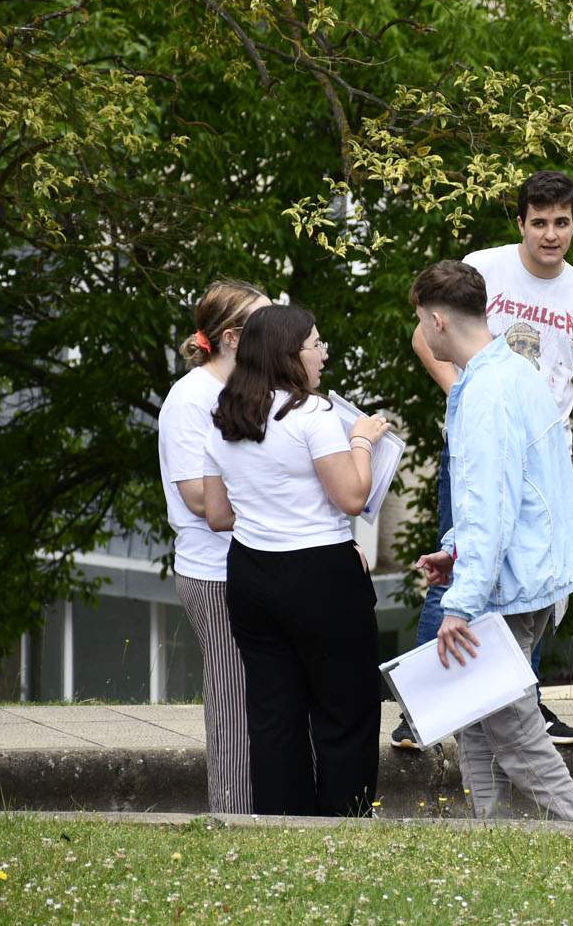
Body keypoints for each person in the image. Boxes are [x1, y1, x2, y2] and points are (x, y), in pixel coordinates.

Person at [393, 169, 573, 750]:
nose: (550, 234)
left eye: (561, 223)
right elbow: (427, 337)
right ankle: (423, 705)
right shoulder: (485, 267)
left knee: (531, 581)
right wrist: (469, 398)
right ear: (520, 223)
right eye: (538, 222)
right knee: (463, 560)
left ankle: (523, 701)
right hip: (483, 445)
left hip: (541, 458)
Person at [409, 260, 573, 823]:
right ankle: (490, 833)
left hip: (510, 583)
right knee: (478, 714)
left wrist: (460, 603)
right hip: (533, 573)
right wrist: (457, 550)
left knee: (512, 727)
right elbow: (515, 492)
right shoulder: (513, 371)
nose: (421, 333)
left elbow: (491, 504)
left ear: (438, 320)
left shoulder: (486, 392)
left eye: (420, 321)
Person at [202, 304, 391, 817]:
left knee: (272, 713)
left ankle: (282, 824)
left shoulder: (225, 417)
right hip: (322, 573)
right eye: (315, 345)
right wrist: (362, 442)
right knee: (344, 708)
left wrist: (268, 511)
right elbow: (352, 496)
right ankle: (344, 821)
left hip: (251, 573)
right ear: (290, 354)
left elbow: (218, 514)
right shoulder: (313, 416)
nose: (322, 355)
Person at [157, 278, 270, 814]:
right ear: (231, 337)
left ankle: (264, 809)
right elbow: (199, 498)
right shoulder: (191, 398)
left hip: (252, 561)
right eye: (263, 325)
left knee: (261, 696)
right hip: (212, 570)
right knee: (230, 697)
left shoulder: (251, 390)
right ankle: (232, 814)